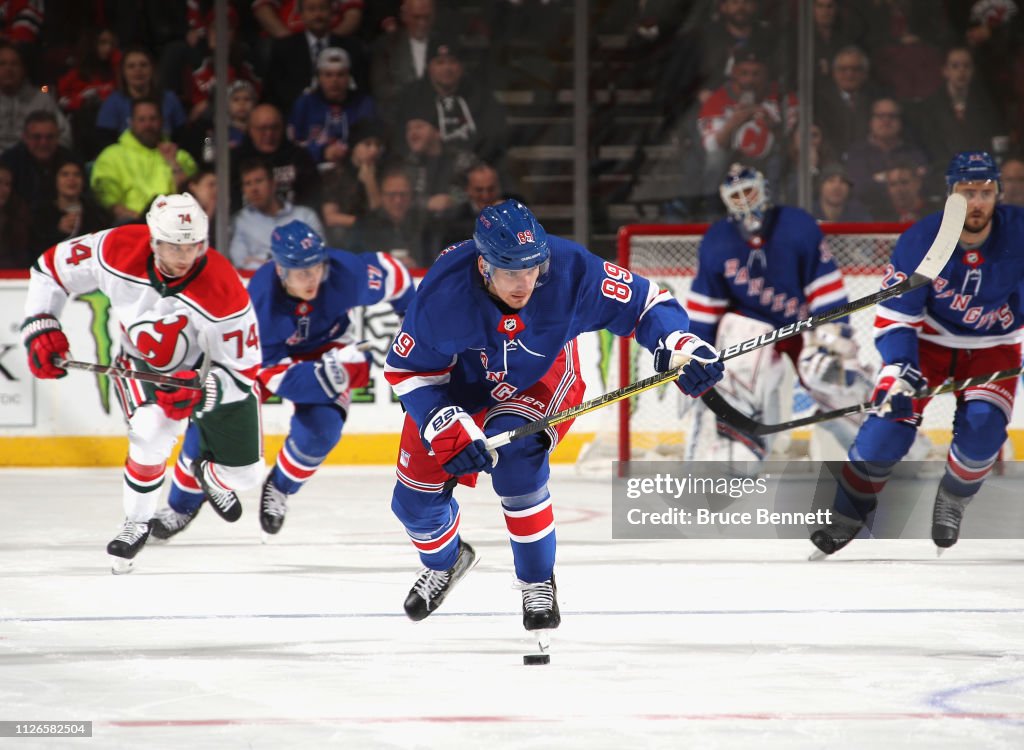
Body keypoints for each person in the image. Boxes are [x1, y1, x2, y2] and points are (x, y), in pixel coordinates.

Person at [382, 199, 724, 635]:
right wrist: (442, 420)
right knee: (412, 503)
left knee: (519, 462)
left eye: (532, 269)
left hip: (538, 378)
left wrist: (678, 341)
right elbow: (408, 369)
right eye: (510, 272)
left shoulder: (568, 269)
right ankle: (447, 562)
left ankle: (537, 580)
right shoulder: (444, 292)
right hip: (454, 387)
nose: (525, 282)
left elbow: (646, 303)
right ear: (484, 266)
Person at [20, 193, 264, 573]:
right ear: (152, 240)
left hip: (208, 372)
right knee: (150, 431)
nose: (184, 256)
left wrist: (205, 388)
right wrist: (42, 323)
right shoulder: (114, 248)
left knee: (247, 475)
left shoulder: (224, 289)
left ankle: (205, 471)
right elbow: (49, 269)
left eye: (193, 246)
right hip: (141, 364)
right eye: (173, 246)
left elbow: (245, 369)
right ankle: (136, 521)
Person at [811, 151, 1024, 555]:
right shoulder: (922, 240)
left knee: (983, 432)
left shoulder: (1019, 232)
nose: (976, 202)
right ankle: (847, 512)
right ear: (950, 195)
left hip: (993, 346)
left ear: (997, 193)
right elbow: (896, 317)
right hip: (927, 344)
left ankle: (953, 498)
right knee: (885, 431)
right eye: (966, 192)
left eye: (985, 192)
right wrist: (901, 369)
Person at [240, 220, 414, 535]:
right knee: (222, 413)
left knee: (322, 431)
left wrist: (410, 321)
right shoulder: (260, 300)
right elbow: (270, 373)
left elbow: (396, 276)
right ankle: (181, 503)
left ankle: (279, 486)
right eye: (301, 272)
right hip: (278, 360)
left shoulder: (345, 272)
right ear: (280, 270)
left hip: (330, 345)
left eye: (316, 267)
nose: (313, 278)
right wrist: (328, 375)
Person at [684, 164, 859, 464]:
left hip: (803, 326)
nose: (745, 201)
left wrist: (833, 340)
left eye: (748, 191)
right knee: (739, 334)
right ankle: (738, 439)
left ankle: (876, 441)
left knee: (833, 378)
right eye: (736, 195)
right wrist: (694, 354)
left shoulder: (797, 225)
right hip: (752, 336)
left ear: (764, 189)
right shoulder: (718, 240)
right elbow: (705, 308)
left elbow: (826, 289)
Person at [90, 97, 198, 223]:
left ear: (162, 121)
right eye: (142, 120)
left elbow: (192, 194)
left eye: (153, 119)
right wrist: (139, 220)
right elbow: (107, 199)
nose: (148, 125)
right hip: (131, 224)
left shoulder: (180, 156)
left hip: (175, 223)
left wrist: (173, 163)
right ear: (131, 122)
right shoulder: (111, 155)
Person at [228, 157, 325, 271]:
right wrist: (290, 260)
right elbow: (240, 263)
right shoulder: (240, 220)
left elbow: (318, 254)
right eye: (248, 183)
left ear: (273, 184)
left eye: (259, 181)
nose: (253, 189)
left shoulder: (305, 216)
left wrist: (262, 260)